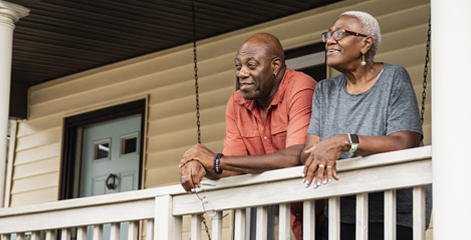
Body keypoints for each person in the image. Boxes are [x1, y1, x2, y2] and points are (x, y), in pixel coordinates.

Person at [300, 11, 431, 240]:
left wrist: (344, 142)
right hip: (340, 214)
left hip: (392, 214)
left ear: (365, 43)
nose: (330, 40)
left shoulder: (393, 78)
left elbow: (404, 141)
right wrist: (325, 150)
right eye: (329, 35)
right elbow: (310, 153)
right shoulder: (324, 90)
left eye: (340, 34)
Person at [179, 32, 318, 240]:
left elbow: (294, 158)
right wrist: (202, 167)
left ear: (276, 65)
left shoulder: (300, 86)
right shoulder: (236, 104)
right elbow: (232, 170)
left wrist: (216, 160)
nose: (241, 73)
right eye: (238, 66)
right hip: (282, 216)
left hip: (325, 209)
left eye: (251, 66)